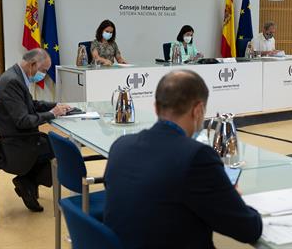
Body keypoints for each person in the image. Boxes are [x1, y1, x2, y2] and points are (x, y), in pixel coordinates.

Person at [104, 70, 262, 248]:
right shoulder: (196, 156)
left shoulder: (120, 146)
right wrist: (232, 198)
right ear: (199, 110)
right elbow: (248, 229)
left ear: (156, 107)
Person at [0, 49, 70, 212]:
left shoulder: (15, 75)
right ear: (33, 64)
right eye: (44, 70)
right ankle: (27, 181)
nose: (44, 75)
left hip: (13, 136)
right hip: (14, 143)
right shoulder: (13, 81)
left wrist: (55, 106)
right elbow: (23, 121)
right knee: (61, 148)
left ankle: (27, 182)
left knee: (51, 144)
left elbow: (30, 104)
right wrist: (52, 114)